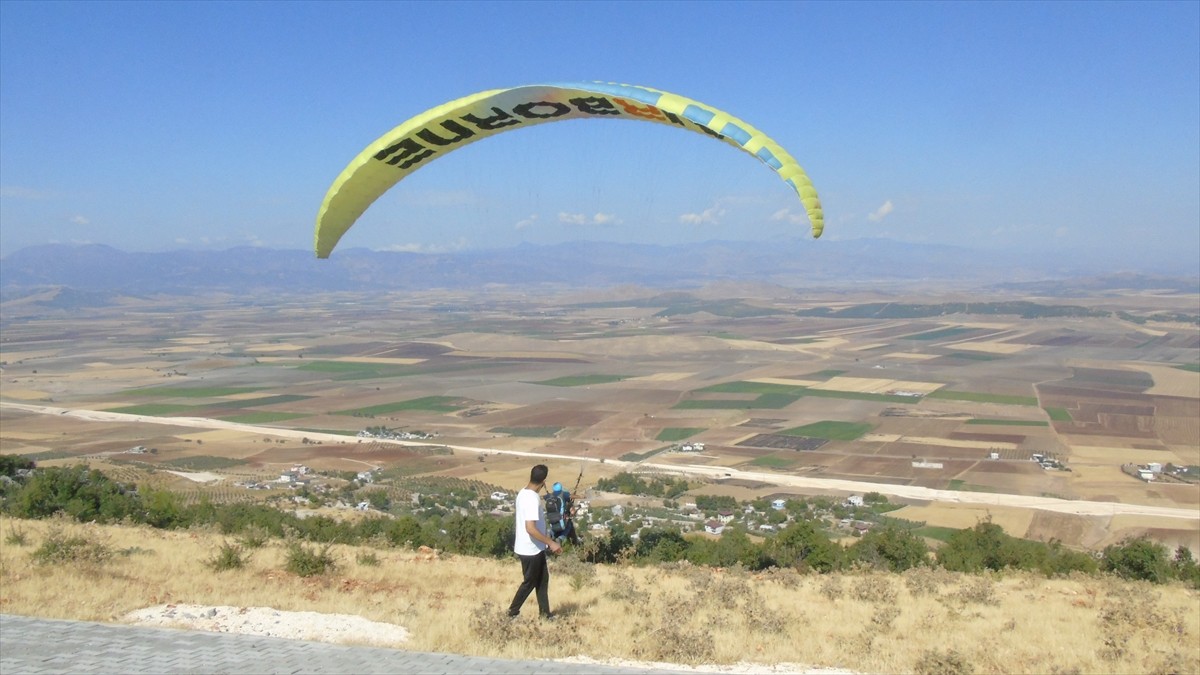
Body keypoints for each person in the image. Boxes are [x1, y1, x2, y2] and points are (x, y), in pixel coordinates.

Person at [508, 464, 562, 619]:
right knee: (529, 583)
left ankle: (545, 615)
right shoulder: (532, 498)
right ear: (544, 481)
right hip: (530, 549)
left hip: (531, 547)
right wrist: (551, 543)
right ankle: (512, 612)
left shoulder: (523, 493)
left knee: (542, 580)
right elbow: (530, 528)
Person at [546, 481, 580, 545]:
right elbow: (572, 512)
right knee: (568, 527)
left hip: (553, 522)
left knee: (554, 530)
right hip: (563, 522)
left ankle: (550, 534)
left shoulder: (553, 499)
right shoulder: (568, 503)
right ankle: (561, 539)